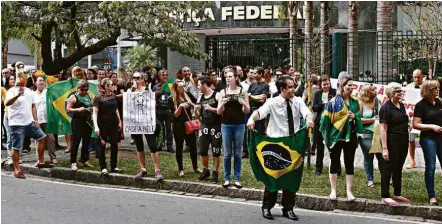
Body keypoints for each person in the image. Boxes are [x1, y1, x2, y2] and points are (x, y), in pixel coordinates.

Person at [247, 76, 313, 221]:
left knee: (291, 176)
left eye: (293, 86)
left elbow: (306, 112)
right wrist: (251, 119)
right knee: (272, 177)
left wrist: (309, 119)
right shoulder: (272, 102)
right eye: (290, 87)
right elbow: (260, 112)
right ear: (282, 89)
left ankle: (288, 208)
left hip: (293, 145)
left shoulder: (298, 101)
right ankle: (267, 207)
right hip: (275, 144)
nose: (293, 89)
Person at [5, 68, 53, 179]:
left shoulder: (29, 91)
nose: (22, 80)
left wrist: (36, 120)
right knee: (17, 147)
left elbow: (33, 106)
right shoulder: (11, 91)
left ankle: (40, 161)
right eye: (20, 78)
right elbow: (7, 103)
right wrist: (17, 95)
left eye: (24, 78)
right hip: (16, 123)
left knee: (42, 137)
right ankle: (17, 170)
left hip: (29, 122)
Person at [320, 75, 362, 201]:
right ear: (342, 87)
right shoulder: (333, 102)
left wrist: (354, 117)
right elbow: (325, 120)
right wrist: (326, 137)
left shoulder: (355, 102)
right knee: (334, 162)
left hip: (350, 137)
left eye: (352, 86)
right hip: (335, 137)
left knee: (349, 163)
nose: (351, 88)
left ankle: (349, 191)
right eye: (349, 85)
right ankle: (333, 190)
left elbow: (359, 119)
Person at [378, 82, 410, 206]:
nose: (400, 93)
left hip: (403, 141)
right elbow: (383, 129)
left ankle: (397, 193)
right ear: (391, 93)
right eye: (397, 91)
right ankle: (384, 195)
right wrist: (385, 148)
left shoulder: (401, 105)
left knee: (398, 167)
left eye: (400, 91)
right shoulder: (386, 108)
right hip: (391, 141)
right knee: (388, 168)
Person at [217, 71, 250, 188]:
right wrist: (222, 104)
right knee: (226, 154)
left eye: (230, 76)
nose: (228, 79)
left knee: (237, 153)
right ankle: (226, 178)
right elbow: (218, 111)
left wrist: (244, 104)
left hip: (239, 125)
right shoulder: (223, 92)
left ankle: (237, 178)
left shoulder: (242, 91)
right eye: (226, 77)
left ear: (236, 78)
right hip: (226, 125)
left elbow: (247, 111)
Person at [129, 72, 164, 181]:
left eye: (138, 78)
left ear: (143, 79)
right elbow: (127, 105)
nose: (136, 80)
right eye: (134, 78)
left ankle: (157, 169)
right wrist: (133, 91)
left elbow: (153, 104)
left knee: (152, 145)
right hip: (136, 122)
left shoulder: (148, 90)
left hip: (147, 121)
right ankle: (142, 168)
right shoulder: (130, 91)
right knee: (139, 145)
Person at [412, 80, 442, 206]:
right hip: (429, 139)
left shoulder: (439, 102)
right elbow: (416, 124)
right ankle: (432, 196)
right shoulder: (421, 105)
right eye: (435, 88)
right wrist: (432, 126)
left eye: (438, 87)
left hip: (441, 137)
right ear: (429, 90)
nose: (438, 90)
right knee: (431, 166)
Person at [169, 79, 200, 176]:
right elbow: (175, 115)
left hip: (188, 123)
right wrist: (180, 106)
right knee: (179, 146)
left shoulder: (187, 95)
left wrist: (194, 107)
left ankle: (195, 167)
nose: (183, 88)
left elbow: (196, 103)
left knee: (193, 146)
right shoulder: (171, 99)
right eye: (180, 87)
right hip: (178, 125)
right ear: (176, 88)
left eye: (184, 86)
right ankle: (180, 169)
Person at [93, 78, 123, 175]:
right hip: (103, 123)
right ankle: (103, 167)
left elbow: (116, 109)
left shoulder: (113, 96)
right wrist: (96, 126)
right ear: (106, 86)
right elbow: (95, 113)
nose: (113, 86)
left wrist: (119, 121)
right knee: (102, 145)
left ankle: (114, 166)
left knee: (114, 144)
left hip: (113, 123)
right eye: (111, 85)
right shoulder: (98, 98)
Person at [195, 77, 222, 183]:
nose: (197, 87)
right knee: (203, 150)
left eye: (199, 84)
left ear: (204, 85)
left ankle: (215, 172)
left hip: (216, 126)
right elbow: (197, 116)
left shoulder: (217, 95)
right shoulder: (200, 96)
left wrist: (211, 108)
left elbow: (221, 110)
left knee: (216, 151)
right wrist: (196, 111)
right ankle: (205, 170)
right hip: (204, 126)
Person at [66, 79, 94, 171]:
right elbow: (68, 109)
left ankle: (84, 159)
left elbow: (92, 106)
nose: (84, 92)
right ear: (78, 88)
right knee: (76, 142)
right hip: (77, 121)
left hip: (87, 121)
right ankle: (73, 162)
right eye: (82, 90)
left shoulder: (89, 96)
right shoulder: (73, 97)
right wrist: (78, 109)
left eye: (86, 90)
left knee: (87, 141)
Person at [243, 67, 269, 158]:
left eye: (255, 73)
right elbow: (247, 97)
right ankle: (246, 151)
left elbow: (262, 100)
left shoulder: (265, 85)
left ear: (261, 74)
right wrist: (255, 97)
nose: (253, 75)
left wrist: (252, 97)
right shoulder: (252, 84)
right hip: (250, 110)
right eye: (253, 73)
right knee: (247, 131)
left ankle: (259, 151)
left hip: (259, 112)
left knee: (259, 131)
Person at [312, 75, 336, 176]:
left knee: (333, 147)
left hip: (332, 123)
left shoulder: (334, 92)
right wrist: (323, 104)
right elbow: (314, 108)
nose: (326, 86)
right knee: (319, 146)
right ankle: (318, 168)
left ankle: (336, 168)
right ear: (320, 85)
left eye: (327, 84)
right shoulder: (317, 93)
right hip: (319, 123)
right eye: (324, 84)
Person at [358, 84, 381, 188]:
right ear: (367, 92)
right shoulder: (361, 103)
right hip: (366, 133)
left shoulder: (378, 101)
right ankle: (370, 179)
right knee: (368, 157)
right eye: (373, 90)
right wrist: (372, 120)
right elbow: (358, 120)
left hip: (378, 132)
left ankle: (385, 177)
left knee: (381, 156)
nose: (376, 91)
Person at [34, 77, 58, 164]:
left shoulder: (48, 93)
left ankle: (53, 157)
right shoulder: (32, 94)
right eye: (39, 80)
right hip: (38, 121)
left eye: (43, 81)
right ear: (35, 83)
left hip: (48, 120)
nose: (41, 82)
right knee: (39, 140)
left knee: (51, 139)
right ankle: (40, 158)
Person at [405, 69, 424, 169]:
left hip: (424, 117)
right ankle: (412, 160)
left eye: (418, 77)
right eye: (415, 77)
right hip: (412, 117)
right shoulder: (408, 87)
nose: (416, 79)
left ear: (422, 76)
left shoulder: (426, 87)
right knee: (410, 139)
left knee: (425, 139)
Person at [152, 69, 174, 153]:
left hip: (168, 110)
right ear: (159, 76)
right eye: (163, 75)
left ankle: (169, 146)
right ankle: (160, 144)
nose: (165, 76)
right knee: (160, 128)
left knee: (169, 128)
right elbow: (153, 99)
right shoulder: (155, 86)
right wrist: (155, 95)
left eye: (166, 75)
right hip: (159, 109)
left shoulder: (170, 85)